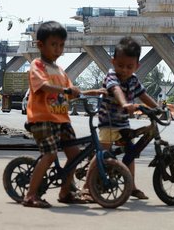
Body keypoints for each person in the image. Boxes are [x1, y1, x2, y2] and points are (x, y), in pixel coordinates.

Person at [22, 21, 105, 208]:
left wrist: (93, 91)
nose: (58, 49)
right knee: (50, 154)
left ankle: (65, 192)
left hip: (61, 120)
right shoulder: (38, 65)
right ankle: (30, 195)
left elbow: (72, 90)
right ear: (40, 45)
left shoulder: (60, 70)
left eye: (61, 45)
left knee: (75, 155)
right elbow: (43, 86)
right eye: (54, 44)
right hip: (42, 119)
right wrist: (65, 91)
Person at [84, 36, 158, 200]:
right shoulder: (111, 77)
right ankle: (87, 188)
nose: (124, 69)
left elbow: (144, 96)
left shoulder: (134, 80)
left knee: (130, 153)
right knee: (102, 154)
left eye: (129, 66)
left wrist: (158, 108)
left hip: (123, 124)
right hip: (108, 123)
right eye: (120, 65)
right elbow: (116, 90)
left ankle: (131, 186)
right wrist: (125, 104)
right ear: (113, 62)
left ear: (137, 66)